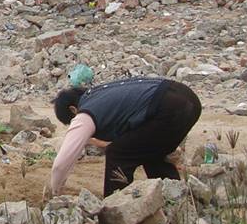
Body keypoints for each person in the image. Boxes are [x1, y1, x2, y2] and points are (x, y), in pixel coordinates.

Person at [46, 76, 202, 197]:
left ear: (73, 110)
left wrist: (54, 191)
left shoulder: (85, 112)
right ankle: (173, 197)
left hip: (170, 106)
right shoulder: (100, 94)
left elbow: (61, 163)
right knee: (147, 151)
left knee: (118, 154)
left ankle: (115, 207)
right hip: (186, 98)